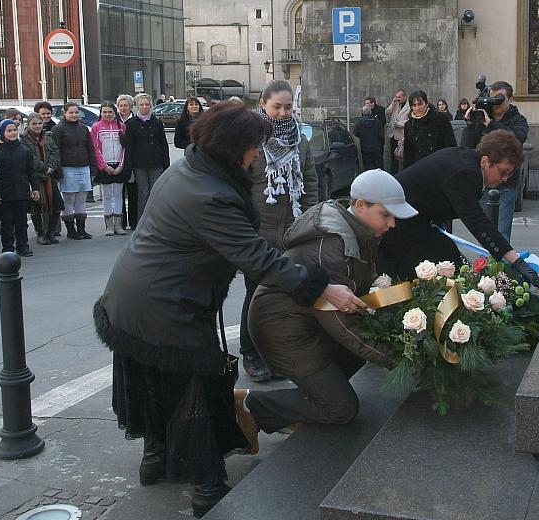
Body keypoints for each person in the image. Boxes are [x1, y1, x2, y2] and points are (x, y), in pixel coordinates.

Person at [93, 101, 359, 517]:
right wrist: (323, 288)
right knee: (191, 390)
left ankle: (155, 460)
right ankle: (207, 487)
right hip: (165, 305)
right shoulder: (210, 195)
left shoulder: (189, 169)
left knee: (154, 379)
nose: (258, 154)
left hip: (135, 296)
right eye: (255, 146)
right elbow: (259, 259)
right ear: (235, 148)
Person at [240, 169, 417, 440]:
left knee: (355, 358)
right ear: (360, 205)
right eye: (386, 214)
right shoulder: (333, 249)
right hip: (284, 332)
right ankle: (252, 406)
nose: (392, 224)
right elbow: (344, 327)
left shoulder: (356, 230)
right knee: (341, 409)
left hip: (304, 323)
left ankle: (315, 394)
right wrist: (406, 361)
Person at [377, 129, 539, 294]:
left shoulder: (468, 159)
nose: (504, 179)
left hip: (412, 222)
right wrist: (516, 261)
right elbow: (476, 220)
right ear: (486, 161)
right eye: (503, 172)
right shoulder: (466, 173)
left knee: (447, 267)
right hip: (396, 225)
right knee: (445, 272)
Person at [239, 79, 319, 383]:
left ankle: (278, 352)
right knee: (256, 294)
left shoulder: (299, 139)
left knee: (284, 296)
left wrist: (310, 218)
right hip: (258, 232)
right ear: (263, 104)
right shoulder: (251, 139)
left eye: (288, 107)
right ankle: (252, 354)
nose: (284, 112)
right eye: (277, 106)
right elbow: (240, 186)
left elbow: (310, 179)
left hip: (294, 231)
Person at [460, 80, 529, 242]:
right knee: (484, 234)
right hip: (483, 181)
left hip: (506, 185)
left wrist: (491, 124)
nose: (495, 103)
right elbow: (467, 147)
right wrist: (471, 125)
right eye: (492, 98)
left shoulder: (519, 120)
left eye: (499, 98)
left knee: (501, 235)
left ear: (510, 100)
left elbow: (516, 140)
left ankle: (500, 266)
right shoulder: (481, 117)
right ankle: (484, 266)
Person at [0, 119, 40, 257]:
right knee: (6, 222)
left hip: (21, 192)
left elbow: (31, 171)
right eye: (9, 131)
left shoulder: (24, 150)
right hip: (4, 193)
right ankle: (7, 247)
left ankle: (23, 246)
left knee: (21, 222)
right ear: (2, 133)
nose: (12, 133)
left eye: (14, 130)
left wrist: (35, 188)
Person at [52, 102, 97, 240]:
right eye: (71, 112)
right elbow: (56, 151)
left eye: (76, 112)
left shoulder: (84, 129)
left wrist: (93, 169)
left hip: (83, 167)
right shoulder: (58, 129)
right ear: (64, 113)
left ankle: (82, 229)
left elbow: (90, 149)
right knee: (69, 199)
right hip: (67, 168)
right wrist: (58, 172)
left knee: (82, 199)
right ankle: (71, 230)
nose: (74, 115)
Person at [124, 93, 170, 219]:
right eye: (141, 104)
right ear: (137, 106)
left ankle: (157, 219)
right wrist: (128, 166)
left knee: (156, 192)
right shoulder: (131, 123)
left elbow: (163, 144)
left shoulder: (157, 122)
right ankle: (143, 220)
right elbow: (129, 147)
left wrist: (166, 163)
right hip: (139, 164)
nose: (144, 107)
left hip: (156, 162)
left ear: (151, 106)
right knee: (143, 192)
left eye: (147, 104)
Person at [22, 113, 62, 245]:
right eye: (34, 124)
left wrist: (50, 167)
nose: (37, 126)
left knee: (56, 204)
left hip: (49, 176)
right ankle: (40, 233)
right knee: (36, 206)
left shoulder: (48, 137)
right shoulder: (24, 139)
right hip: (35, 176)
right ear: (28, 125)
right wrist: (44, 168)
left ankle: (50, 232)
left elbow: (55, 153)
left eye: (39, 123)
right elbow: (30, 158)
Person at [91, 101, 129, 236]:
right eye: (104, 112)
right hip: (105, 165)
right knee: (107, 195)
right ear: (101, 113)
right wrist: (104, 166)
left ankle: (119, 225)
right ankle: (109, 225)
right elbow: (95, 148)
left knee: (119, 195)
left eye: (110, 112)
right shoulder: (96, 127)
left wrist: (121, 166)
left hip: (118, 164)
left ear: (115, 112)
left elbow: (125, 148)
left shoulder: (122, 127)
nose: (107, 114)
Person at [402, 90, 456, 169]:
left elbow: (450, 144)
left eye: (420, 104)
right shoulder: (409, 125)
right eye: (414, 105)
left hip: (440, 165)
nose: (417, 108)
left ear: (426, 103)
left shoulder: (440, 119)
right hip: (419, 167)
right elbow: (408, 152)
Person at [116, 94, 138, 230]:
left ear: (131, 107)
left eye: (126, 105)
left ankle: (134, 221)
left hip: (133, 161)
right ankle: (121, 223)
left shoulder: (135, 121)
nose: (123, 108)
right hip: (116, 160)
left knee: (133, 192)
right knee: (119, 193)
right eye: (121, 106)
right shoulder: (114, 121)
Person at [385, 89, 410, 174]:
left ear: (404, 97)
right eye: (396, 97)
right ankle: (393, 174)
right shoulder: (395, 104)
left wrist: (401, 124)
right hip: (393, 134)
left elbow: (411, 120)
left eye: (399, 97)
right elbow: (387, 113)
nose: (397, 99)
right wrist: (392, 104)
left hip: (402, 135)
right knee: (393, 157)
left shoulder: (409, 106)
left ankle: (404, 174)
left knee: (403, 157)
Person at [353, 105, 384, 170]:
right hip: (376, 147)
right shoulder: (377, 121)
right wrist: (381, 143)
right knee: (378, 166)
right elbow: (381, 134)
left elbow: (355, 132)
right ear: (370, 112)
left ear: (362, 113)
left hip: (365, 147)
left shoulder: (359, 122)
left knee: (367, 166)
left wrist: (362, 136)